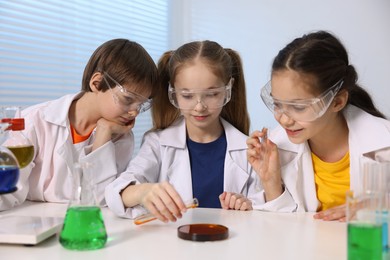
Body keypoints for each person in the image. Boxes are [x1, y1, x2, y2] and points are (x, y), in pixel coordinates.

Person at [105, 40, 274, 222]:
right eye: (187, 95)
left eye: (211, 94)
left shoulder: (247, 149)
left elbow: (266, 209)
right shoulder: (157, 143)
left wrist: (247, 205)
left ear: (228, 89)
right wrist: (143, 192)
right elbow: (116, 192)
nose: (199, 107)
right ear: (173, 92)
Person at [247, 30, 390, 221]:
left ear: (338, 101)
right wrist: (271, 182)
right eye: (278, 104)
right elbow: (279, 233)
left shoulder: (383, 141)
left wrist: (380, 206)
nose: (284, 119)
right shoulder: (276, 147)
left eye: (298, 107)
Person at [0, 39, 158, 211]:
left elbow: (98, 201)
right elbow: (6, 189)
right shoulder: (34, 120)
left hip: (82, 225)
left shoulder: (121, 136)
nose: (134, 112)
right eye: (128, 99)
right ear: (96, 83)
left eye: (140, 105)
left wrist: (103, 135)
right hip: (30, 223)